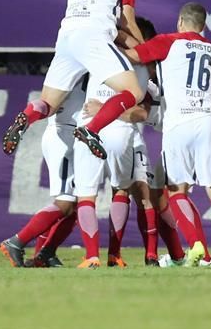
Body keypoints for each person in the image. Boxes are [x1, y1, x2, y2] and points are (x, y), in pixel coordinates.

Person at [122, 2, 211, 268]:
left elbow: (134, 55)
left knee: (177, 191)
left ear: (180, 22)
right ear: (203, 26)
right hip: (206, 120)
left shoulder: (168, 42)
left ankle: (197, 245)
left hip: (178, 122)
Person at [2, 0, 146, 161]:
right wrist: (146, 49)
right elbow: (127, 19)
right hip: (93, 37)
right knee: (134, 92)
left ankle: (26, 116)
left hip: (66, 39)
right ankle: (92, 129)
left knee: (48, 105)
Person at [72, 17, 158, 268]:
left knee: (86, 196)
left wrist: (101, 109)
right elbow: (141, 110)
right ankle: (114, 254)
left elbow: (143, 113)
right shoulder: (144, 68)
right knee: (121, 191)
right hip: (120, 132)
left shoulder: (95, 54)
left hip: (88, 126)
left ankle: (91, 256)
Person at [0, 77, 87, 268]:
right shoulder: (84, 62)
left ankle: (44, 254)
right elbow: (48, 101)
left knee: (78, 204)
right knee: (65, 202)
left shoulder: (77, 61)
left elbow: (45, 102)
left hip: (76, 134)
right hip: (65, 134)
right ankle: (17, 241)